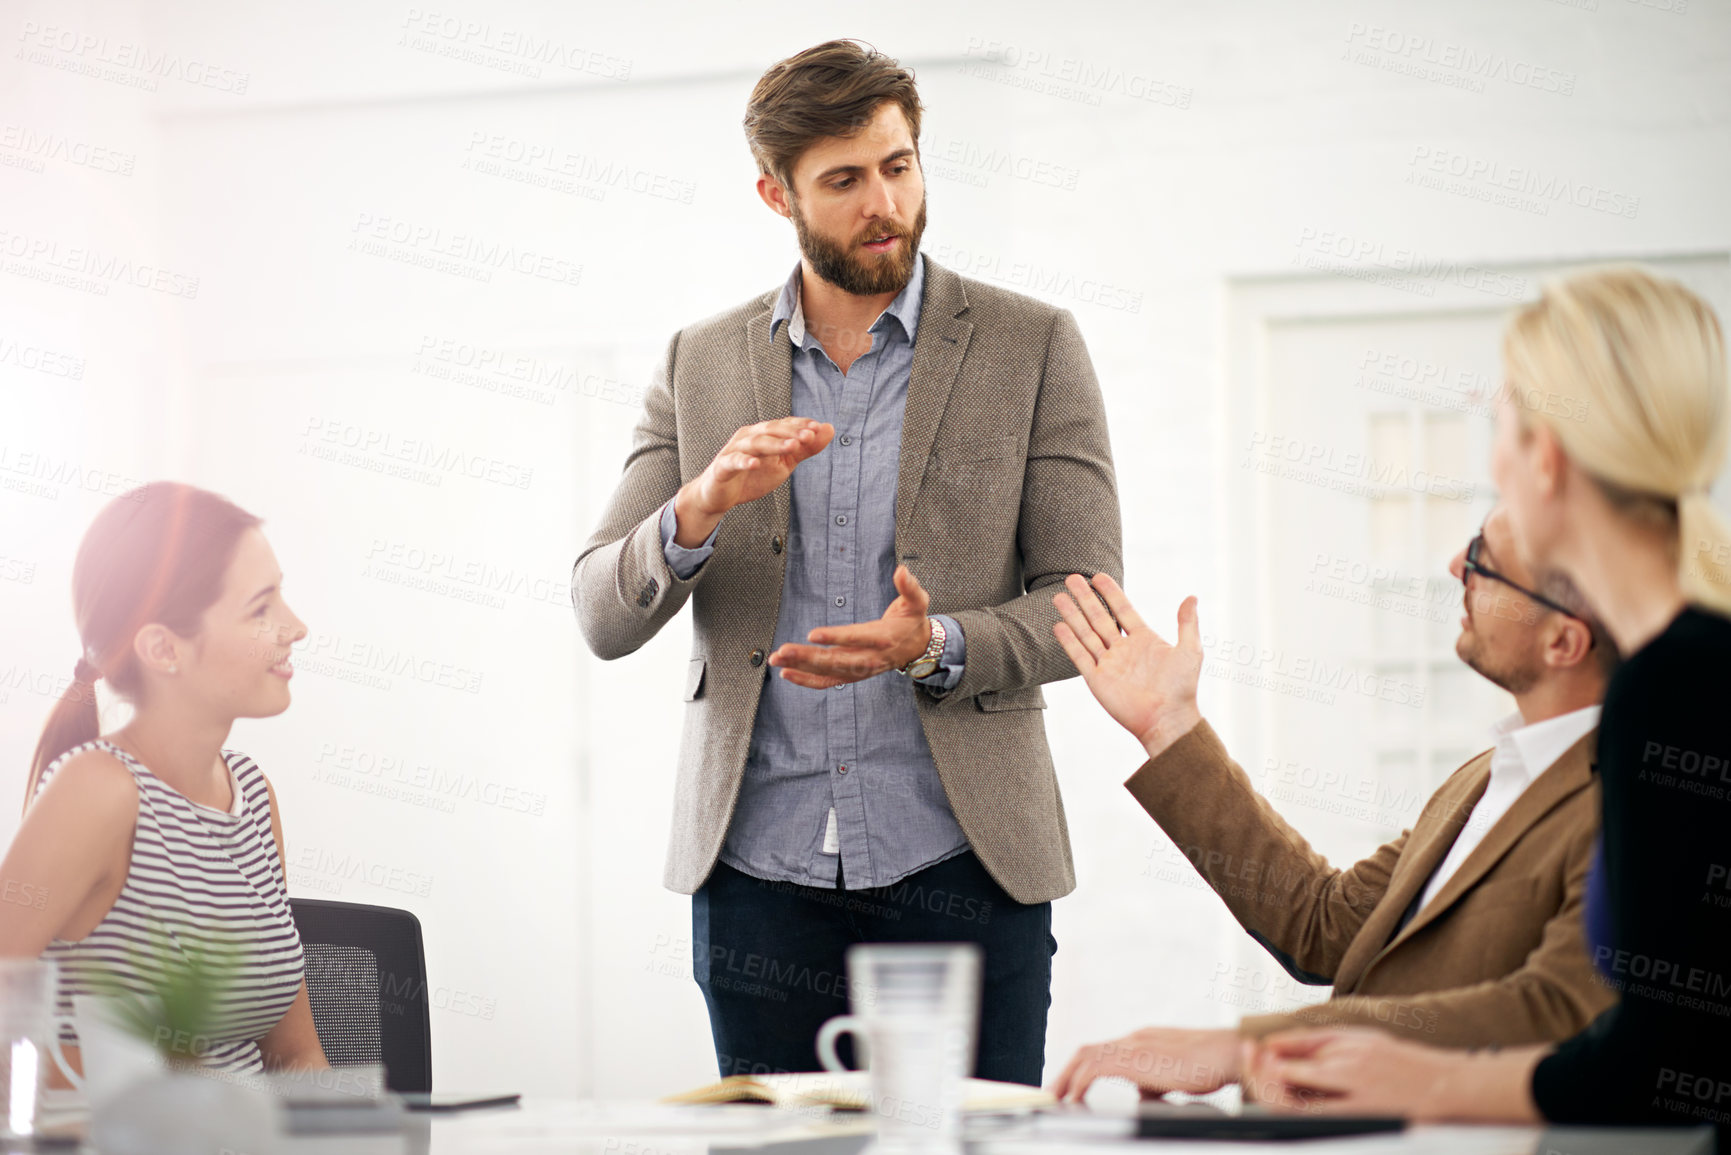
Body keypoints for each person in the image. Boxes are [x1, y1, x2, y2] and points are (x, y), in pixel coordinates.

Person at [571, 39, 1121, 1083]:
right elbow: (600, 612)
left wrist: (939, 643)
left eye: (900, 166)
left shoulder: (1031, 344)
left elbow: (1084, 603)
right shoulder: (700, 364)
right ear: (776, 194)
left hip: (966, 867)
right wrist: (695, 510)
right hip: (757, 881)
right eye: (845, 181)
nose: (887, 203)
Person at [1236, 266, 1731, 1135]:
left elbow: (1660, 1059)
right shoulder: (1680, 674)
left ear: (1544, 458)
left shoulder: (1675, 690)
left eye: (1496, 433)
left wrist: (1355, 1063)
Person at [1048, 506, 1618, 1102]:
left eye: (1484, 561)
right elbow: (1329, 923)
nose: (1455, 567)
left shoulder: (1629, 804)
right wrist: (1170, 727)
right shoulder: (1488, 774)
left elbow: (1551, 1010)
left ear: (1562, 640)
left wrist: (1254, 1045)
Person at [0, 482, 328, 1076]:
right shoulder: (97, 791)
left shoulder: (251, 795)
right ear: (163, 648)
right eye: (261, 608)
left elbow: (294, 1052)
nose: (296, 626)